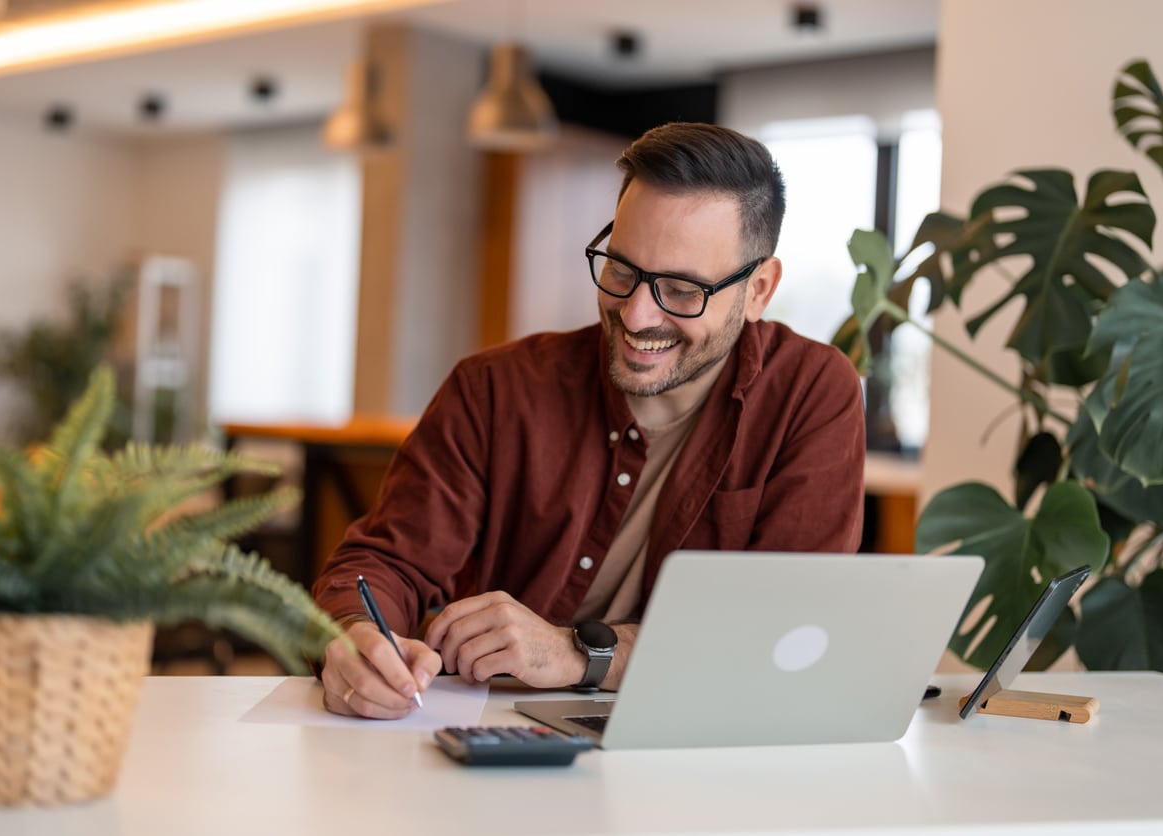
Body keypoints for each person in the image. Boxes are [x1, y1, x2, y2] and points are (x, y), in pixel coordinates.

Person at [313, 121, 866, 719]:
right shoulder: (495, 390)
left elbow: (784, 633)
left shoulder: (811, 394)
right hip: (496, 745)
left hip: (703, 744)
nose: (635, 314)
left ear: (758, 290)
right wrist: (357, 638)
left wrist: (578, 655)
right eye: (622, 270)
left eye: (681, 290)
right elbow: (384, 565)